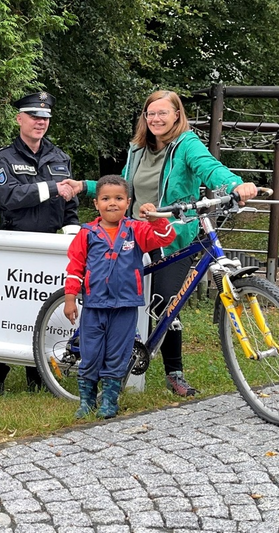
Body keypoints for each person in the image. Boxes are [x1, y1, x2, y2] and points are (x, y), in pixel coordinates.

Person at [64, 90, 258, 397]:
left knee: (167, 302)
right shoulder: (137, 149)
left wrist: (237, 185)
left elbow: (210, 168)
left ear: (177, 115)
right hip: (133, 236)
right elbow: (124, 187)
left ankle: (174, 373)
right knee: (111, 294)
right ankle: (91, 356)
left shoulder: (187, 145)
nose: (155, 119)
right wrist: (85, 186)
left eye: (163, 113)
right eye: (150, 113)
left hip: (172, 235)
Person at [0, 91, 80, 394]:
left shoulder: (61, 158)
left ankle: (37, 376)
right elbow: (9, 197)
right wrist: (53, 187)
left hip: (48, 249)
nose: (40, 122)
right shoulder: (4, 158)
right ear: (19, 119)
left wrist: (72, 244)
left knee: (42, 312)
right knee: (6, 312)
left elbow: (71, 210)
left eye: (45, 118)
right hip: (14, 245)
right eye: (34, 117)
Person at [63, 175, 176, 419]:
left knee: (117, 354)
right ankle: (86, 401)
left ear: (128, 202)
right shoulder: (87, 233)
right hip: (94, 306)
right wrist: (70, 298)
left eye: (118, 198)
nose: (112, 203)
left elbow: (166, 238)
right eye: (105, 198)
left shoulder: (136, 230)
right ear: (96, 204)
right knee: (91, 353)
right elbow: (74, 268)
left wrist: (155, 219)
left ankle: (110, 401)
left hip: (125, 306)